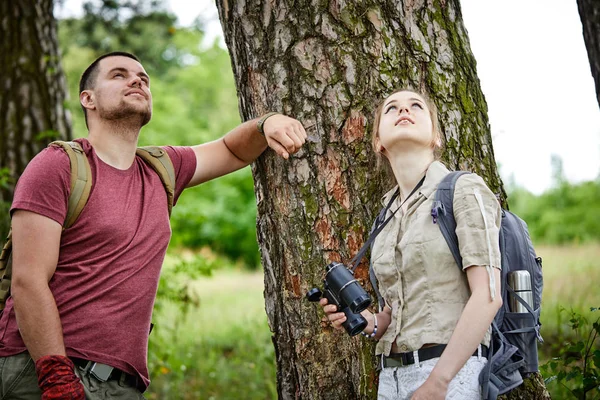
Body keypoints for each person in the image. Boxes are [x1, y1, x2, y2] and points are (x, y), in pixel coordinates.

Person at [0, 51, 307, 399]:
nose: (137, 81)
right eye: (119, 75)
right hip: (40, 373)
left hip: (122, 385)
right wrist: (55, 376)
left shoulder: (161, 169)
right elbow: (28, 281)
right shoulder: (59, 165)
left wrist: (267, 123)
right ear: (88, 99)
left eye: (143, 78)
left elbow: (232, 150)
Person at [320, 88, 503, 399]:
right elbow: (395, 312)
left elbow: (488, 296)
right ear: (378, 141)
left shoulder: (462, 189)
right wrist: (368, 323)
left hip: (451, 375)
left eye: (416, 106)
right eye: (391, 108)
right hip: (391, 377)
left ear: (436, 138)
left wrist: (438, 382)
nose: (404, 110)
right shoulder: (385, 214)